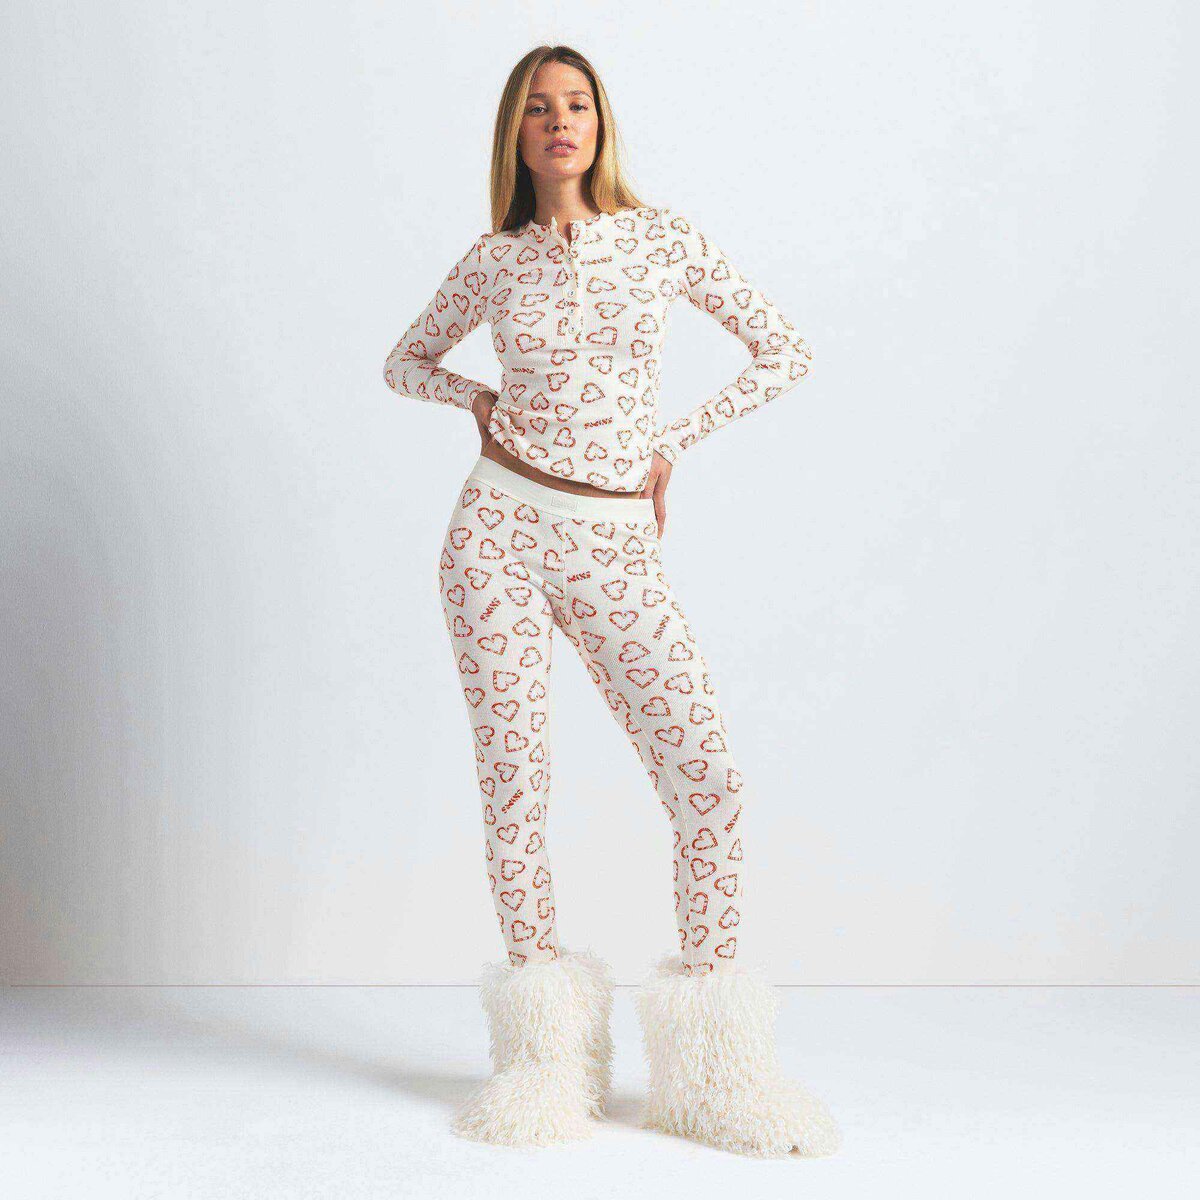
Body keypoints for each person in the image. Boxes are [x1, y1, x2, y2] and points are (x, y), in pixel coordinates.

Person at [381, 43, 841, 1159]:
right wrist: (476, 397)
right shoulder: (495, 259)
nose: (560, 122)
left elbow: (783, 351)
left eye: (577, 104)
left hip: (615, 541)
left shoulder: (662, 239)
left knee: (708, 780)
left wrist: (670, 441)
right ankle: (544, 1068)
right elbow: (403, 362)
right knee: (516, 787)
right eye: (539, 108)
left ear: (600, 123)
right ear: (516, 132)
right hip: (497, 530)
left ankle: (716, 1077)